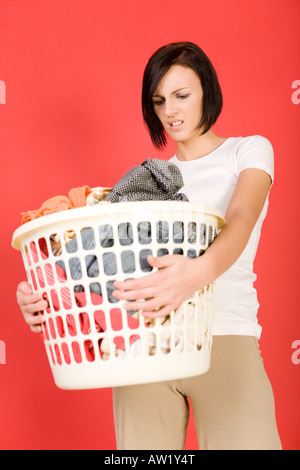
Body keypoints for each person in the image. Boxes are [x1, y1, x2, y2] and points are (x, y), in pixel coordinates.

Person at [16, 41, 282, 450]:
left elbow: (242, 217)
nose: (169, 111)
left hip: (224, 334)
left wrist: (198, 273)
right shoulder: (147, 180)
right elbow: (99, 260)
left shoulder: (247, 151)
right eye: (158, 100)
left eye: (181, 95)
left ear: (207, 91)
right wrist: (46, 294)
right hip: (142, 344)